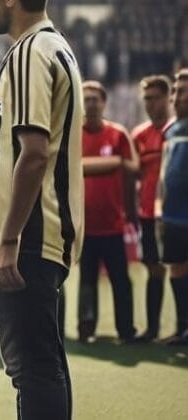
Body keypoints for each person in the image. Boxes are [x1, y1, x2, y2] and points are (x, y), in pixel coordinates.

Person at [0, 1, 84, 418]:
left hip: (27, 237)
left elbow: (32, 154)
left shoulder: (30, 52)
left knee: (32, 371)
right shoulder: (57, 48)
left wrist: (9, 238)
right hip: (45, 232)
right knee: (47, 367)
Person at [77, 80, 138, 344]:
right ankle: (85, 330)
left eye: (95, 99)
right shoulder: (72, 135)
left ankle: (126, 330)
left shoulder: (118, 134)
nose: (91, 104)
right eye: (86, 99)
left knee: (121, 281)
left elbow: (132, 169)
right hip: (84, 225)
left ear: (104, 102)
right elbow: (69, 167)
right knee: (86, 281)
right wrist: (110, 162)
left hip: (113, 224)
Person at [132, 75, 172, 342]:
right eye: (146, 99)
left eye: (155, 98)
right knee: (153, 269)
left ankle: (182, 328)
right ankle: (153, 329)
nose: (150, 104)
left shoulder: (177, 131)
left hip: (176, 214)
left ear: (168, 99)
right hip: (148, 214)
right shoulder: (139, 135)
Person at [160, 68, 188, 345]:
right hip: (173, 217)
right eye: (177, 91)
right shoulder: (171, 130)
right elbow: (165, 172)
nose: (178, 97)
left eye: (183, 91)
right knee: (177, 270)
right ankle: (182, 329)